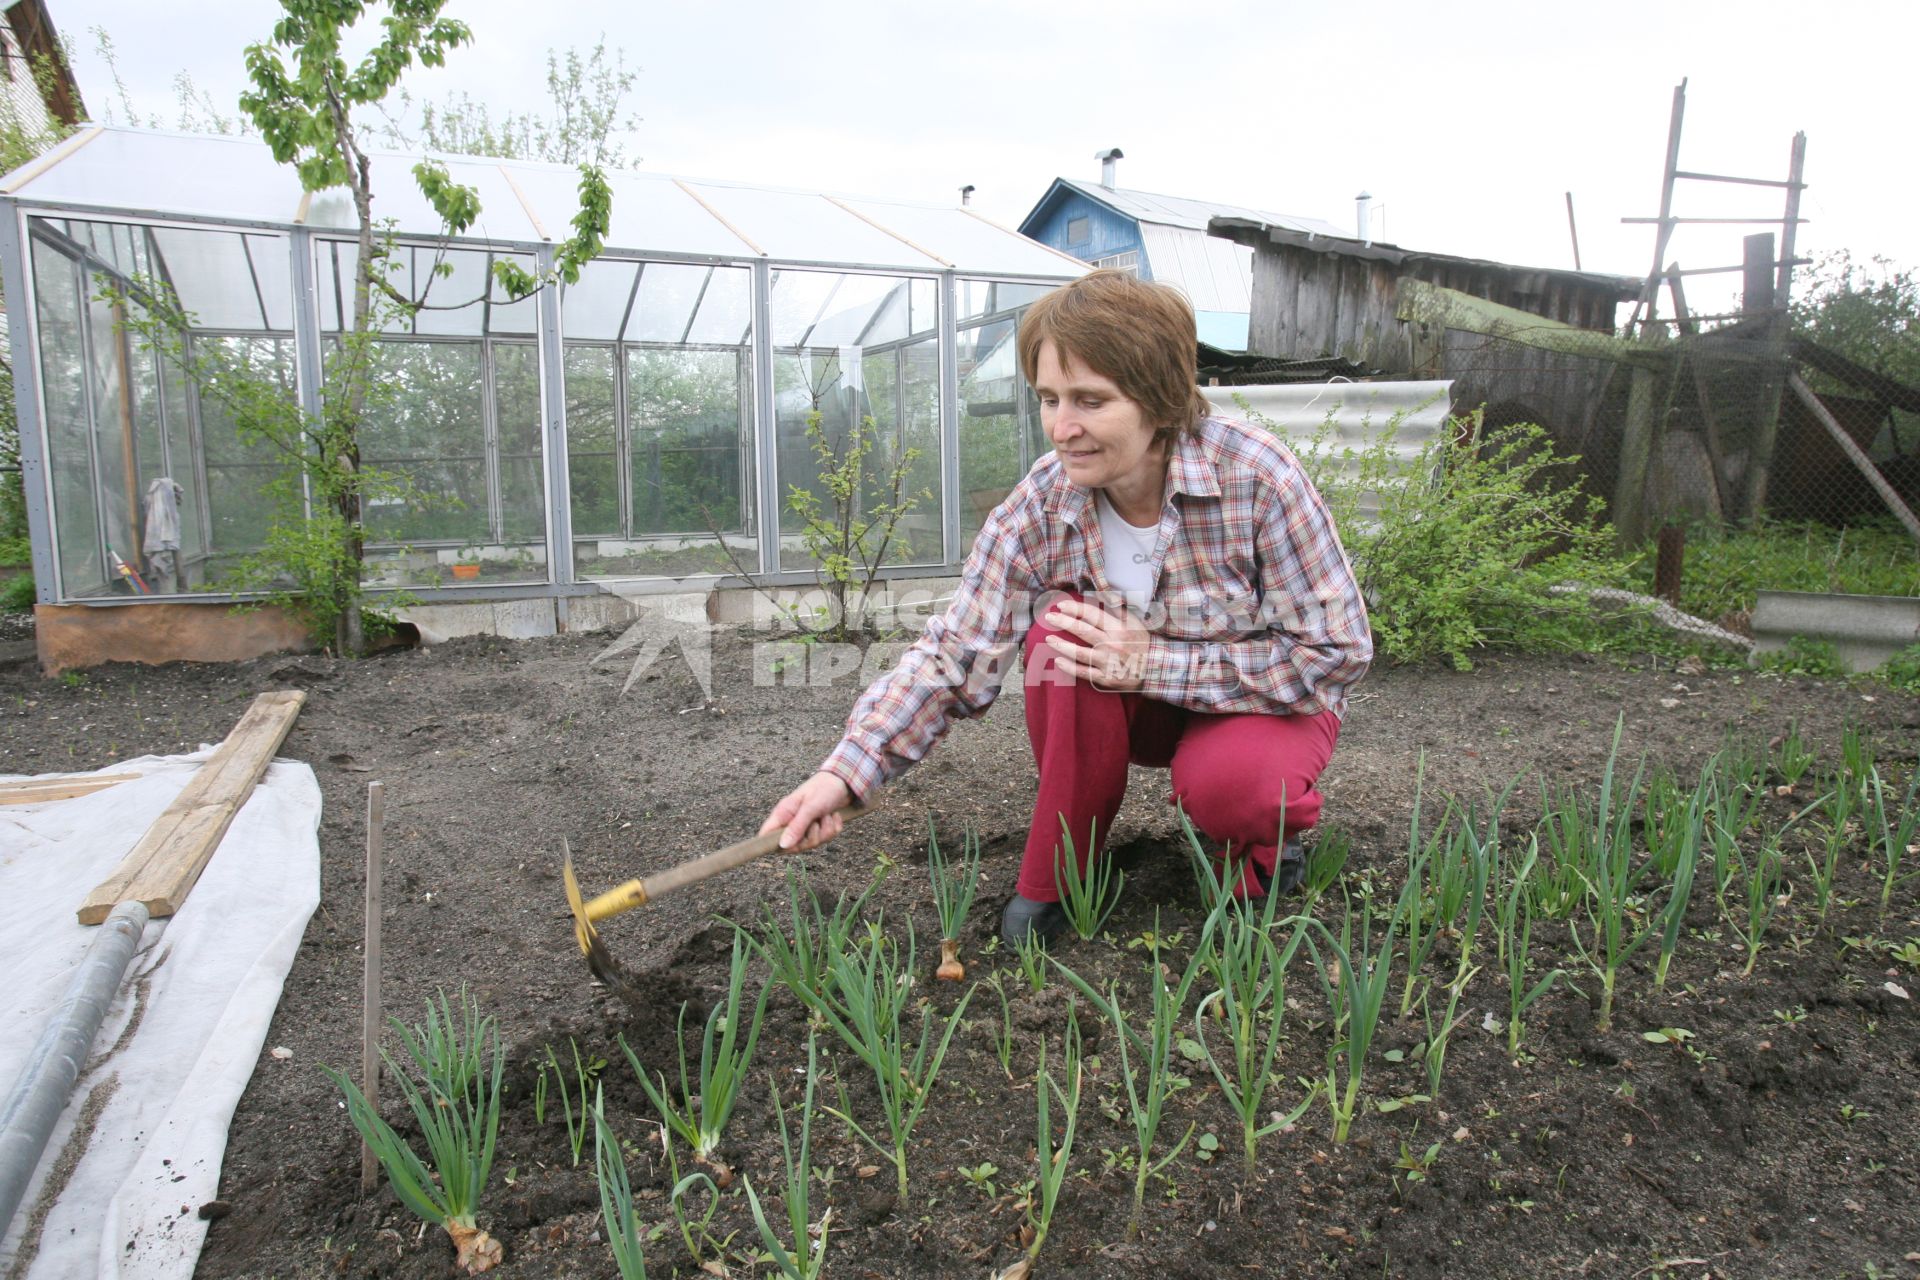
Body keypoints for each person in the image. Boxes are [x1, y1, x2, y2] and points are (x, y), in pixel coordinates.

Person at [758, 269, 1372, 945]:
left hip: (1265, 705)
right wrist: (844, 776)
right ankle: (1064, 876)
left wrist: (1152, 662)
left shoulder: (1256, 477)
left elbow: (1335, 651)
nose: (1062, 427)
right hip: (1140, 706)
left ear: (1161, 401)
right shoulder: (1044, 503)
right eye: (1049, 399)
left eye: (1090, 400)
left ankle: (1260, 848)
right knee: (1060, 635)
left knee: (1236, 790)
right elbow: (954, 654)